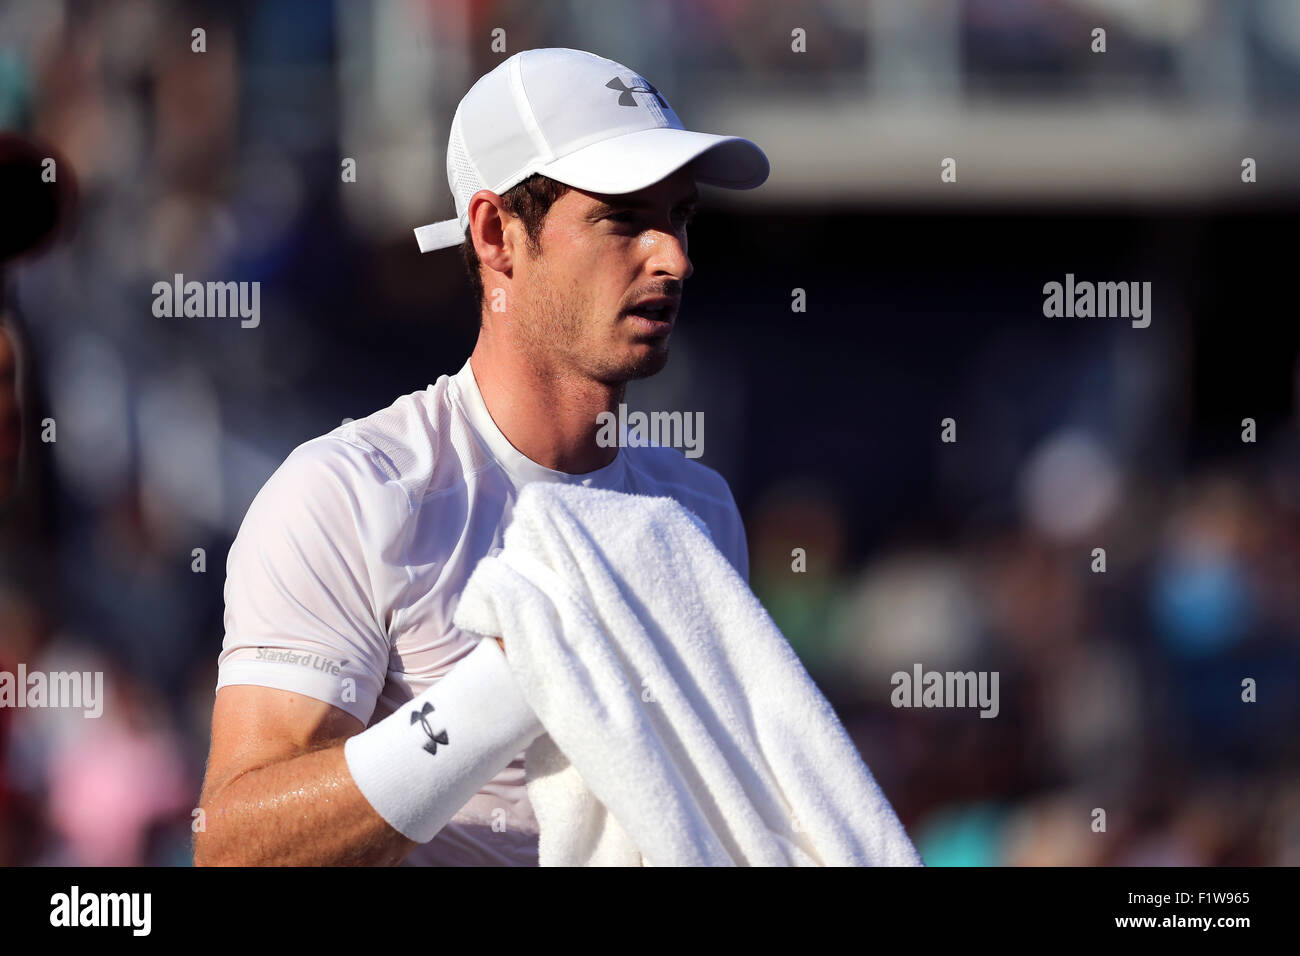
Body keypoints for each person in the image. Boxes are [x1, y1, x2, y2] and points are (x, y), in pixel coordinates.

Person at [195, 48, 768, 866]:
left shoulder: (697, 510)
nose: (672, 257)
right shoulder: (348, 493)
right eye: (623, 218)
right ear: (497, 234)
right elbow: (237, 847)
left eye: (679, 216)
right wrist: (509, 684)